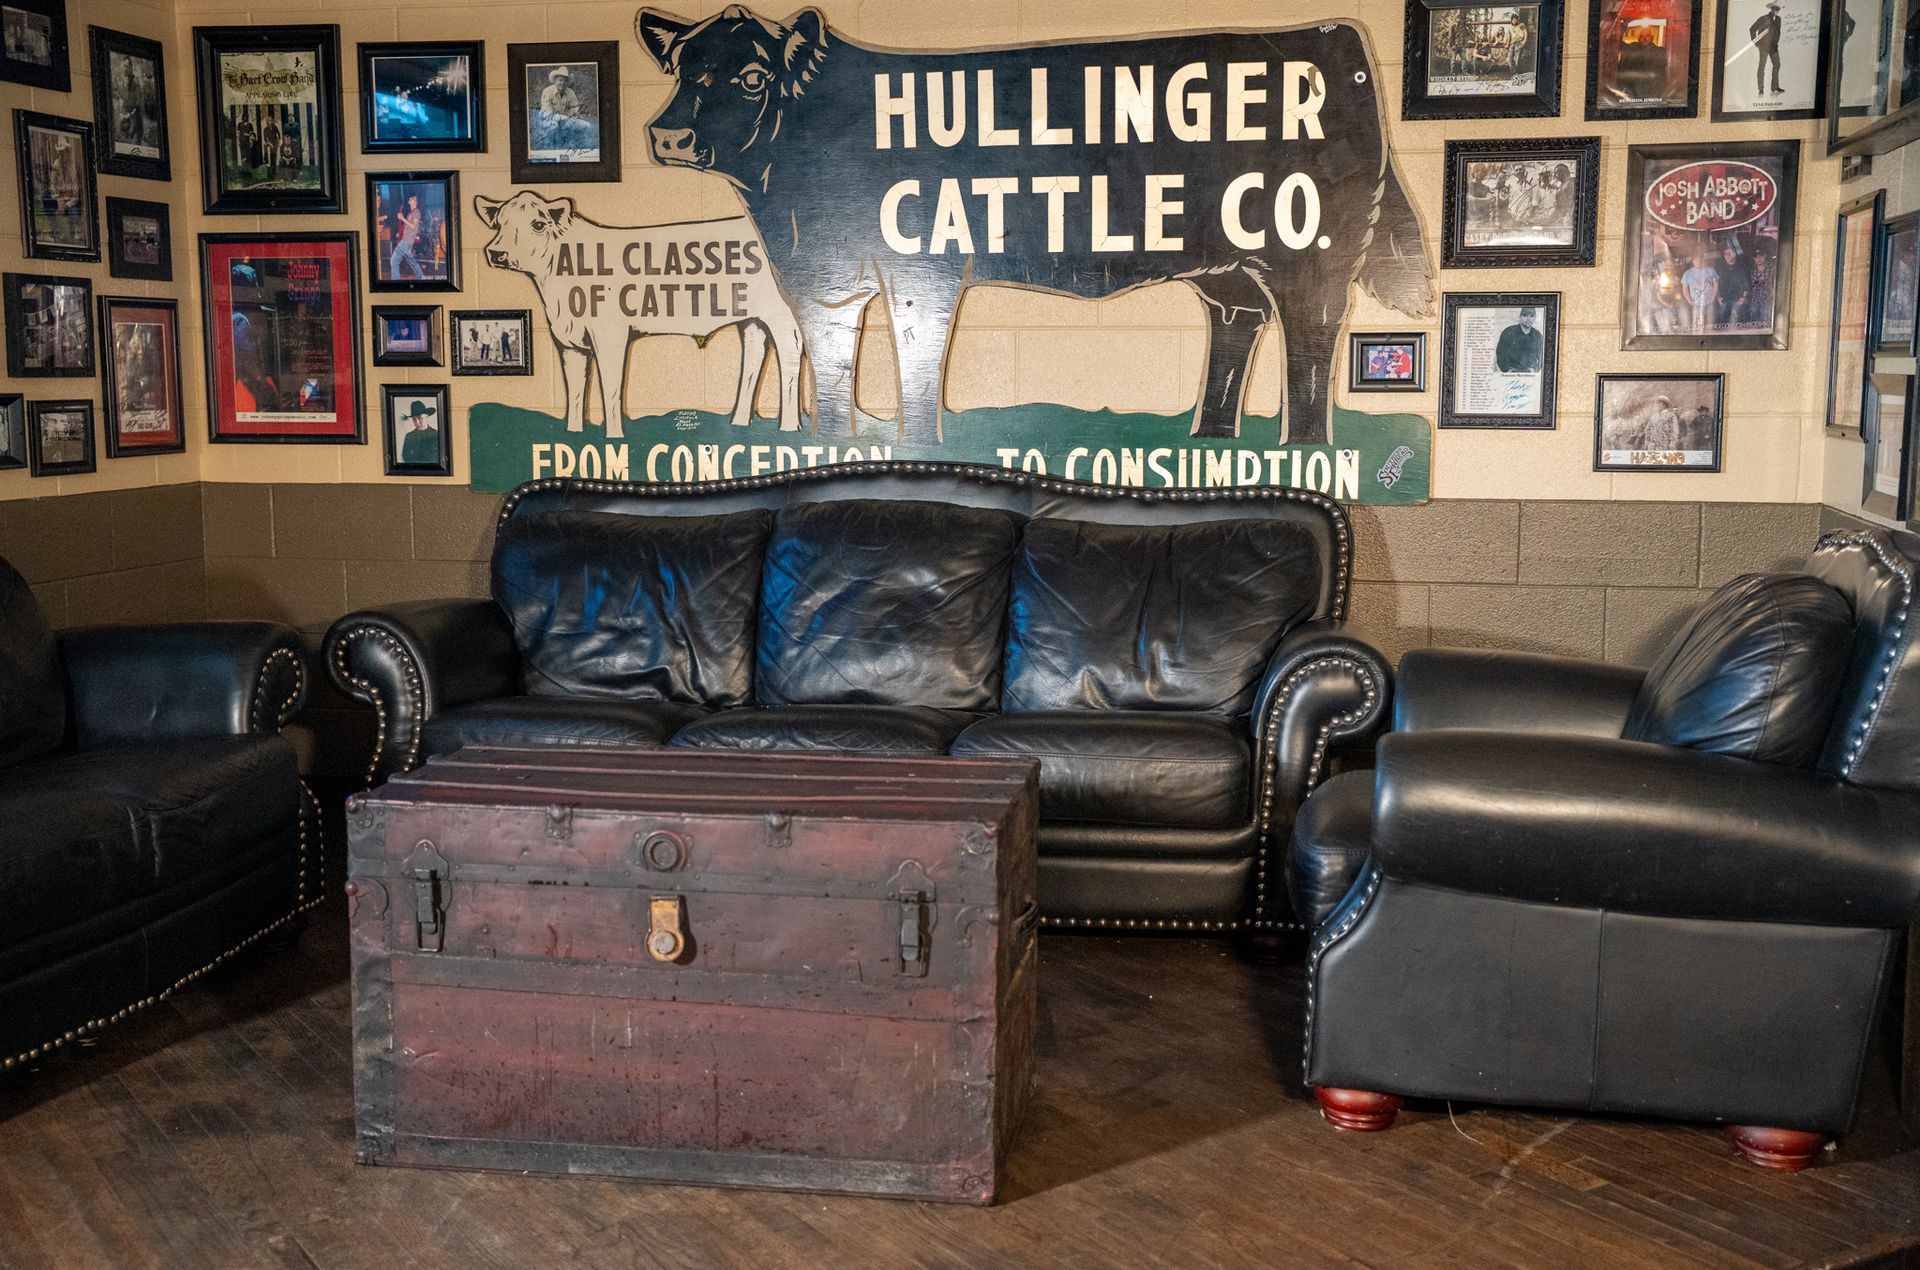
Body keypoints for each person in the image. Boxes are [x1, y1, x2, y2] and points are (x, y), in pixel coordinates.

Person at [1714, 244, 1753, 329]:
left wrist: (1743, 297)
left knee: (1734, 319)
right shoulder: (1720, 268)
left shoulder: (1742, 267)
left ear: (1735, 254)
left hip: (1737, 298)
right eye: (1725, 254)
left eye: (1730, 253)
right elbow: (1718, 283)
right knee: (1722, 319)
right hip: (1724, 298)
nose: (1727, 255)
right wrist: (1718, 296)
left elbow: (1746, 284)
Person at [1494, 306, 1543, 373]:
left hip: (1530, 374)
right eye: (1525, 315)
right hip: (1511, 373)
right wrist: (1507, 370)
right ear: (1520, 317)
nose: (1528, 319)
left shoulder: (1537, 335)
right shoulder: (1508, 332)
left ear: (1535, 318)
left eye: (1531, 316)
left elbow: (1542, 357)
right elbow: (1500, 353)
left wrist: (1534, 370)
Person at [388, 193, 425, 281]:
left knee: (394, 261)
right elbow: (407, 227)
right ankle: (422, 277)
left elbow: (413, 226)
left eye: (412, 198)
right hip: (406, 240)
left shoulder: (417, 212)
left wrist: (402, 218)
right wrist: (400, 233)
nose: (410, 198)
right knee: (411, 261)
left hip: (407, 241)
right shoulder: (410, 213)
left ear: (415, 201)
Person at [1751, 0, 1784, 97]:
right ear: (1771, 8)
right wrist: (1756, 42)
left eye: (1777, 9)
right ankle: (1760, 89)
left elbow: (1778, 32)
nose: (1776, 10)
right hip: (1764, 46)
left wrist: (1776, 42)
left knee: (1777, 65)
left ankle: (1774, 87)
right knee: (1762, 67)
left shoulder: (1778, 19)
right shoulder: (1763, 18)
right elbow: (1752, 29)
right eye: (1774, 8)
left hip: (1774, 47)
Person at [1681, 252, 1719, 332]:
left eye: (1700, 260)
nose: (1699, 262)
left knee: (1710, 325)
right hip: (1696, 304)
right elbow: (1685, 289)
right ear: (1693, 261)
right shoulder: (1687, 273)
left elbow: (1716, 284)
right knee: (1698, 326)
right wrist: (1689, 300)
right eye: (1697, 260)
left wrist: (1713, 298)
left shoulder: (1711, 270)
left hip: (1709, 302)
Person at [399, 399, 441, 465]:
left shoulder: (437, 434)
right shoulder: (409, 436)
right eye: (414, 419)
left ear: (426, 416)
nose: (417, 422)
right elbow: (405, 457)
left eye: (420, 418)